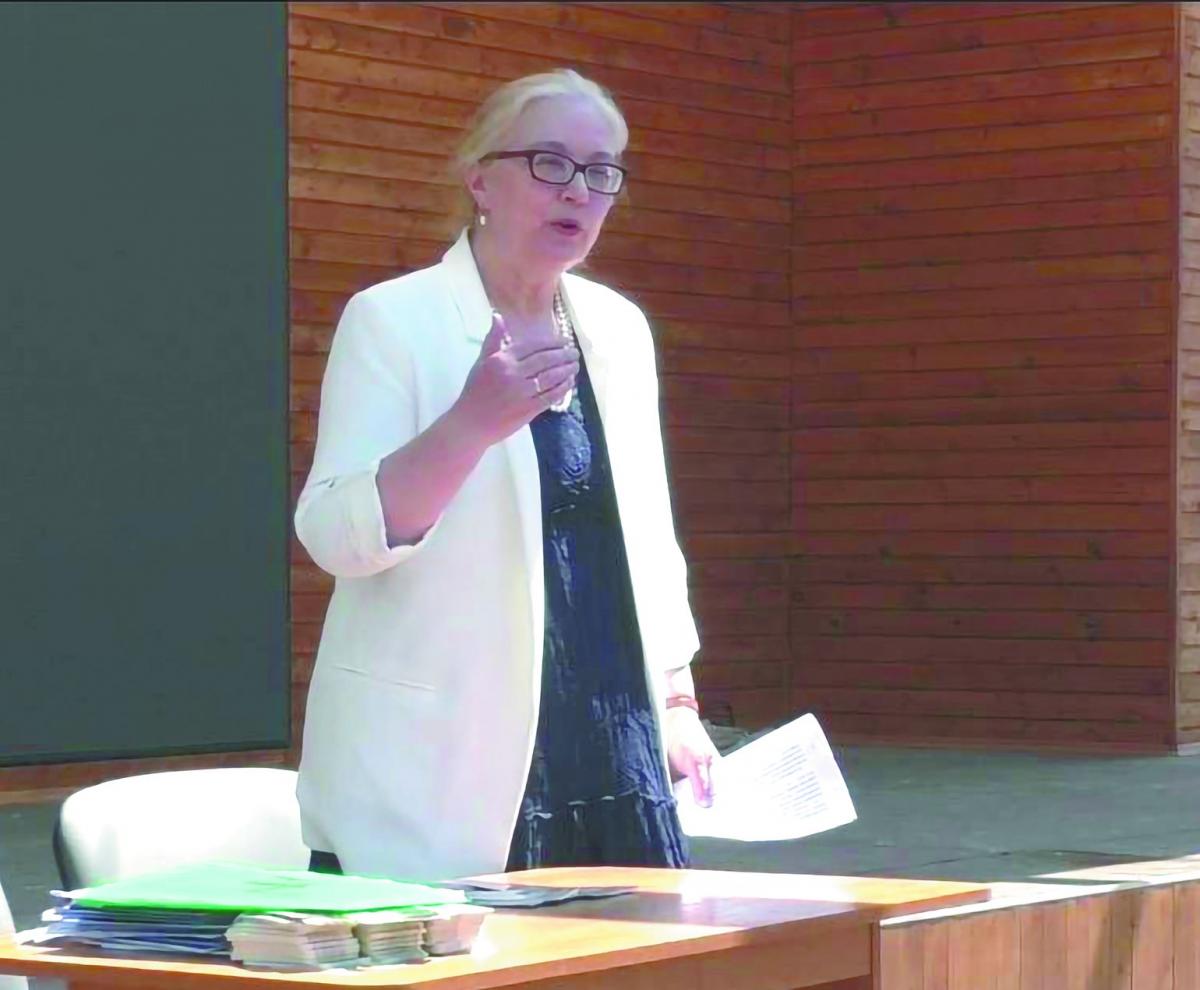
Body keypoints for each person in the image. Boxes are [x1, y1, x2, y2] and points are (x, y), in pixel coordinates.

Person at [294, 68, 717, 882]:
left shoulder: (618, 329)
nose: (579, 190)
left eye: (602, 171)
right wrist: (469, 426)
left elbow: (645, 538)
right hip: (445, 762)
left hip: (609, 741)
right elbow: (335, 537)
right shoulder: (393, 319)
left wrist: (677, 702)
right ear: (480, 179)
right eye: (550, 162)